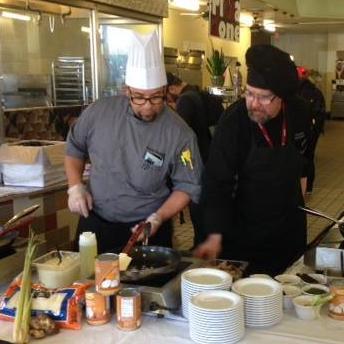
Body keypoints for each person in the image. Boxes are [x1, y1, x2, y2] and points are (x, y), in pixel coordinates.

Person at [64, 31, 202, 254]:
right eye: (139, 96)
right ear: (126, 91)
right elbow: (75, 148)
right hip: (96, 224)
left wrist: (159, 217)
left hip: (147, 231)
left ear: (166, 91)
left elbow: (187, 185)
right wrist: (75, 186)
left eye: (156, 97)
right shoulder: (99, 113)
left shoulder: (179, 133)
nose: (148, 106)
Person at [194, 44, 312, 276]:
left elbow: (304, 160)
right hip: (245, 232)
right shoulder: (233, 122)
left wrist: (299, 200)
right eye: (249, 94)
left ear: (282, 98)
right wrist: (215, 234)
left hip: (288, 228)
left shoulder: (299, 112)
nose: (254, 103)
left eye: (264, 97)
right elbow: (217, 182)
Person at [297, 66, 326, 193]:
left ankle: (302, 188)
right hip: (312, 130)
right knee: (309, 157)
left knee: (301, 157)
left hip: (301, 131)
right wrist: (316, 129)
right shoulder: (316, 92)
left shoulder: (295, 92)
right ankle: (308, 187)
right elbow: (320, 113)